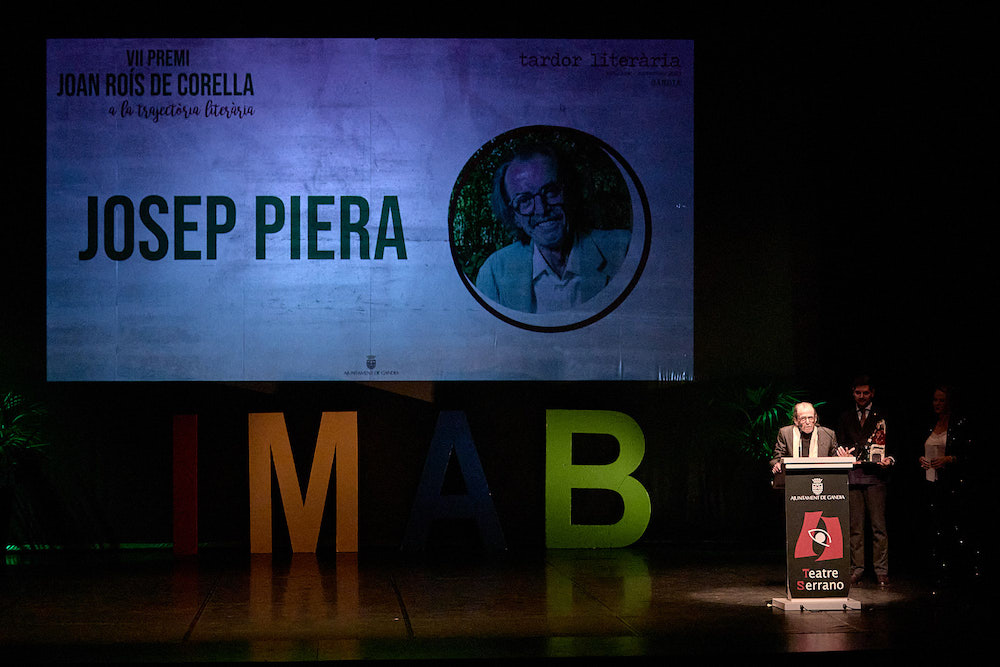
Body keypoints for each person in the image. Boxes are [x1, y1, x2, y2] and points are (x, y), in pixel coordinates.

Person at [475, 145, 630, 313]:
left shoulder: (623, 249)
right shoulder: (494, 273)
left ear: (570, 192)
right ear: (514, 216)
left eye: (551, 192)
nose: (541, 209)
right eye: (524, 200)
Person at [836, 376, 894, 587]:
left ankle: (881, 571)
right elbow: (839, 443)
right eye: (858, 393)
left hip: (876, 477)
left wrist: (890, 459)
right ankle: (856, 569)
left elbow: (893, 444)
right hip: (853, 476)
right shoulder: (845, 416)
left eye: (865, 393)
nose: (861, 396)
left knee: (878, 526)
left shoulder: (883, 415)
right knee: (855, 527)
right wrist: (841, 453)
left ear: (872, 393)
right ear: (853, 393)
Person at [918, 384, 976, 586]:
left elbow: (969, 454)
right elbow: (920, 448)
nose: (937, 404)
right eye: (935, 400)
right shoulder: (930, 423)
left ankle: (956, 573)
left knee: (953, 528)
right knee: (933, 528)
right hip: (931, 483)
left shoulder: (959, 424)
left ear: (949, 402)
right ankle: (935, 572)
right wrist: (921, 459)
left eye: (941, 400)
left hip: (952, 486)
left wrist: (949, 459)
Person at [770, 402, 852, 486]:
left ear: (815, 419)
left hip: (821, 480)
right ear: (795, 420)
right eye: (803, 419)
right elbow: (777, 458)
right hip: (793, 481)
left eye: (810, 418)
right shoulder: (785, 433)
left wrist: (843, 459)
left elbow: (835, 460)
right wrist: (777, 464)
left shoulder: (828, 434)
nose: (808, 422)